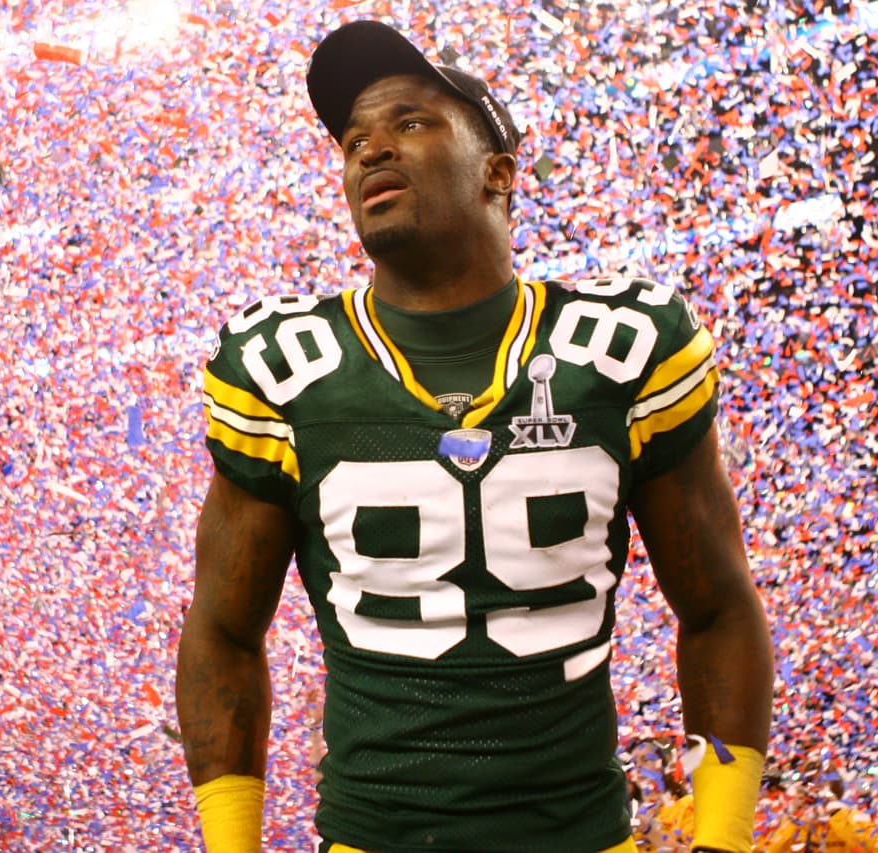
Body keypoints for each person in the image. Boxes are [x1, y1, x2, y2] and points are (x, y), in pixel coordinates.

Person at [175, 19, 774, 853]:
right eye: (354, 141)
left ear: (497, 170)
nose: (372, 149)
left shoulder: (623, 348)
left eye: (411, 122)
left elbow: (718, 606)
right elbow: (222, 630)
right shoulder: (286, 369)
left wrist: (722, 838)